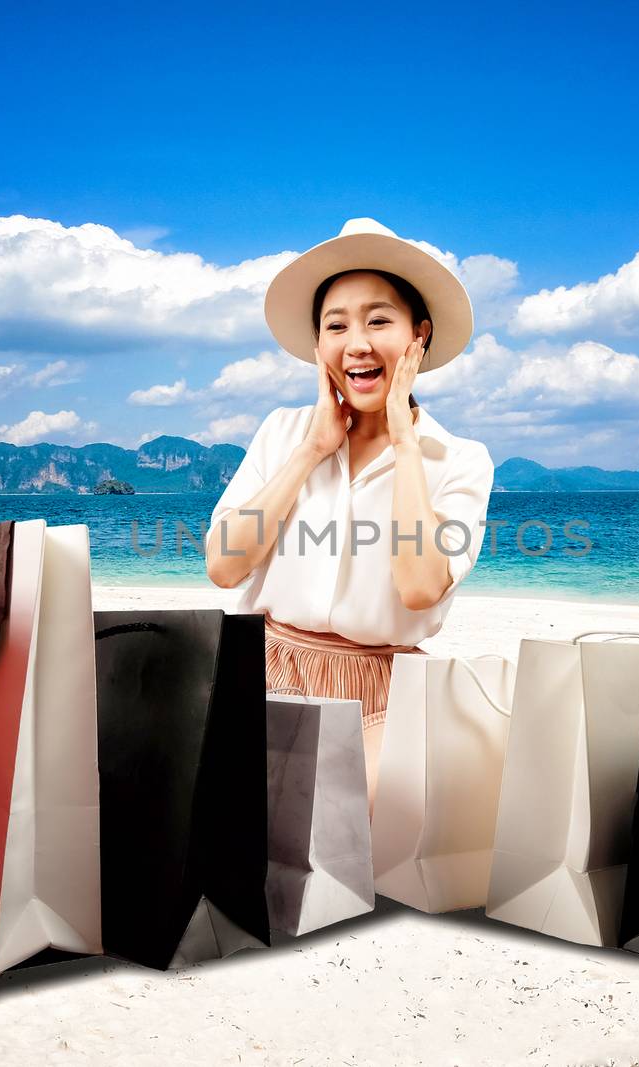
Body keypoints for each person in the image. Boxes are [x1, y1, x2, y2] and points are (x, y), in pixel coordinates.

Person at [206, 217, 495, 814]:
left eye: (379, 321)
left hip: (385, 692)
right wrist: (311, 449)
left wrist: (404, 441)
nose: (356, 343)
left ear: (419, 337)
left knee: (345, 841)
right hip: (265, 668)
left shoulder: (458, 459)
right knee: (239, 835)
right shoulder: (284, 431)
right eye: (336, 325)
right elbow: (224, 567)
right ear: (318, 346)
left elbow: (419, 588)